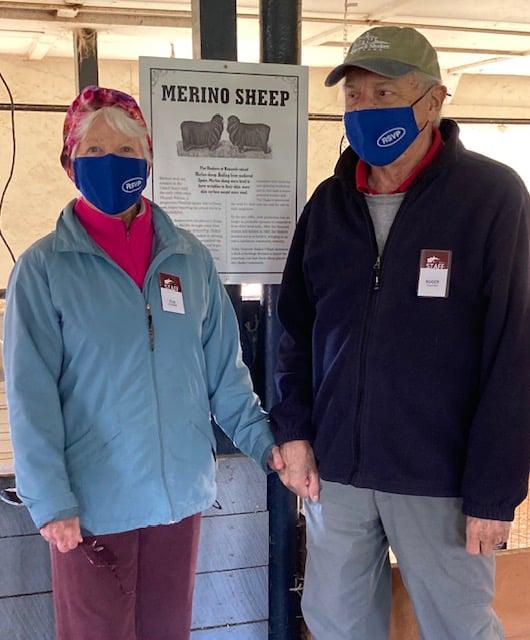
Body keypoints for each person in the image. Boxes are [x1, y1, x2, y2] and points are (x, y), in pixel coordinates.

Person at [270, 26, 530, 640]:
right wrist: (297, 430)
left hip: (439, 477)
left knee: (459, 628)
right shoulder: (328, 206)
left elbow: (514, 352)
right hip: (340, 474)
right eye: (354, 97)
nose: (365, 110)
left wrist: (495, 490)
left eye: (384, 93)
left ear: (434, 102)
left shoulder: (493, 199)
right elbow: (295, 331)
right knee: (334, 622)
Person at [4, 85, 281, 640]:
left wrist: (267, 445)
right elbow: (30, 397)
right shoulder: (43, 270)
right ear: (69, 163)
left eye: (128, 153)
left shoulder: (190, 259)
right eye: (95, 152)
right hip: (91, 505)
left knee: (167, 632)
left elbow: (224, 375)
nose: (113, 164)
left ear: (149, 159)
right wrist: (50, 499)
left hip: (177, 498)